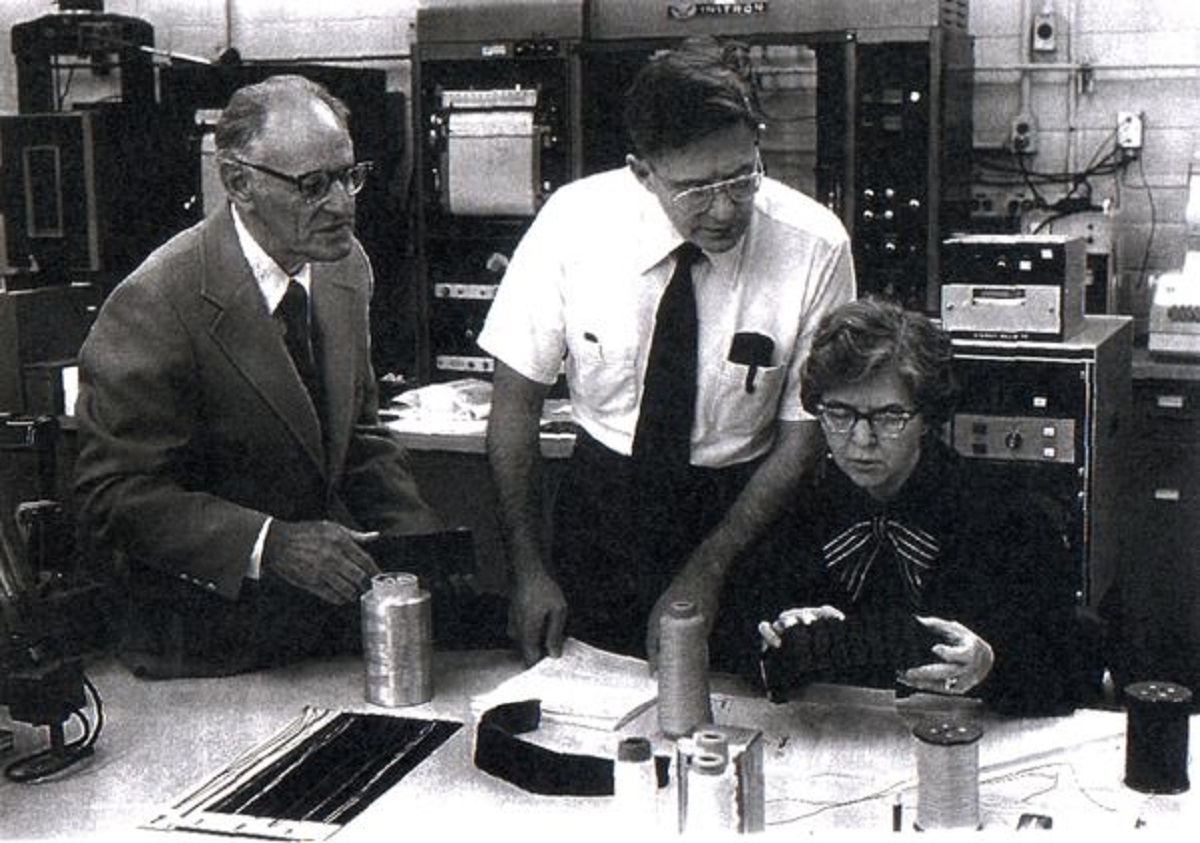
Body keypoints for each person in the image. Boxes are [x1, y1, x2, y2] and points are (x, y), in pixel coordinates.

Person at [478, 38, 856, 668]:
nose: (726, 207)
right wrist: (528, 567)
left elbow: (801, 440)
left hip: (744, 511)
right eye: (696, 188)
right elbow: (514, 408)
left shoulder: (815, 245)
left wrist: (708, 570)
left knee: (740, 720)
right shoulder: (573, 224)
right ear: (643, 172)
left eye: (742, 176)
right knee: (591, 709)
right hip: (603, 513)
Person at [73, 75, 443, 679]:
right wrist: (270, 545)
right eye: (313, 185)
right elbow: (111, 496)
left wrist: (425, 552)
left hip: (315, 631)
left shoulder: (345, 268)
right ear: (238, 182)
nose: (343, 203)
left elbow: (361, 438)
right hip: (203, 644)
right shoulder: (157, 300)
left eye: (350, 175)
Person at [749, 296, 1088, 715]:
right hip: (839, 739)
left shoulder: (1008, 517)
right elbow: (749, 659)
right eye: (839, 413)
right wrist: (786, 646)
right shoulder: (797, 511)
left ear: (927, 416)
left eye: (889, 417)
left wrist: (990, 664)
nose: (861, 441)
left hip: (971, 743)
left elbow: (1071, 674)